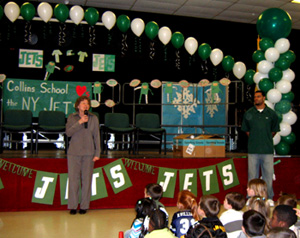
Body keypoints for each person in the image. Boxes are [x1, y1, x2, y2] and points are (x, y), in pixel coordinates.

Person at [242, 90, 280, 204]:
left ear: (263, 98)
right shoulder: (249, 113)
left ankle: (268, 198)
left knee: (268, 176)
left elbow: (274, 131)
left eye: (258, 97)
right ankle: (251, 198)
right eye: (255, 97)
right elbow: (246, 130)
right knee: (252, 176)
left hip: (267, 150)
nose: (256, 99)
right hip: (253, 150)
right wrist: (256, 139)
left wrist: (265, 138)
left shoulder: (271, 114)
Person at [66, 96, 100, 215]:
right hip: (74, 153)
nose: (86, 105)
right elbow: (68, 133)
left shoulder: (93, 118)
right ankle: (73, 206)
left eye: (87, 104)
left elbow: (96, 136)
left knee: (87, 180)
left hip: (89, 153)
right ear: (78, 106)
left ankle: (84, 206)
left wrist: (97, 152)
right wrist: (80, 122)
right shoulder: (72, 117)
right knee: (74, 180)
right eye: (83, 103)